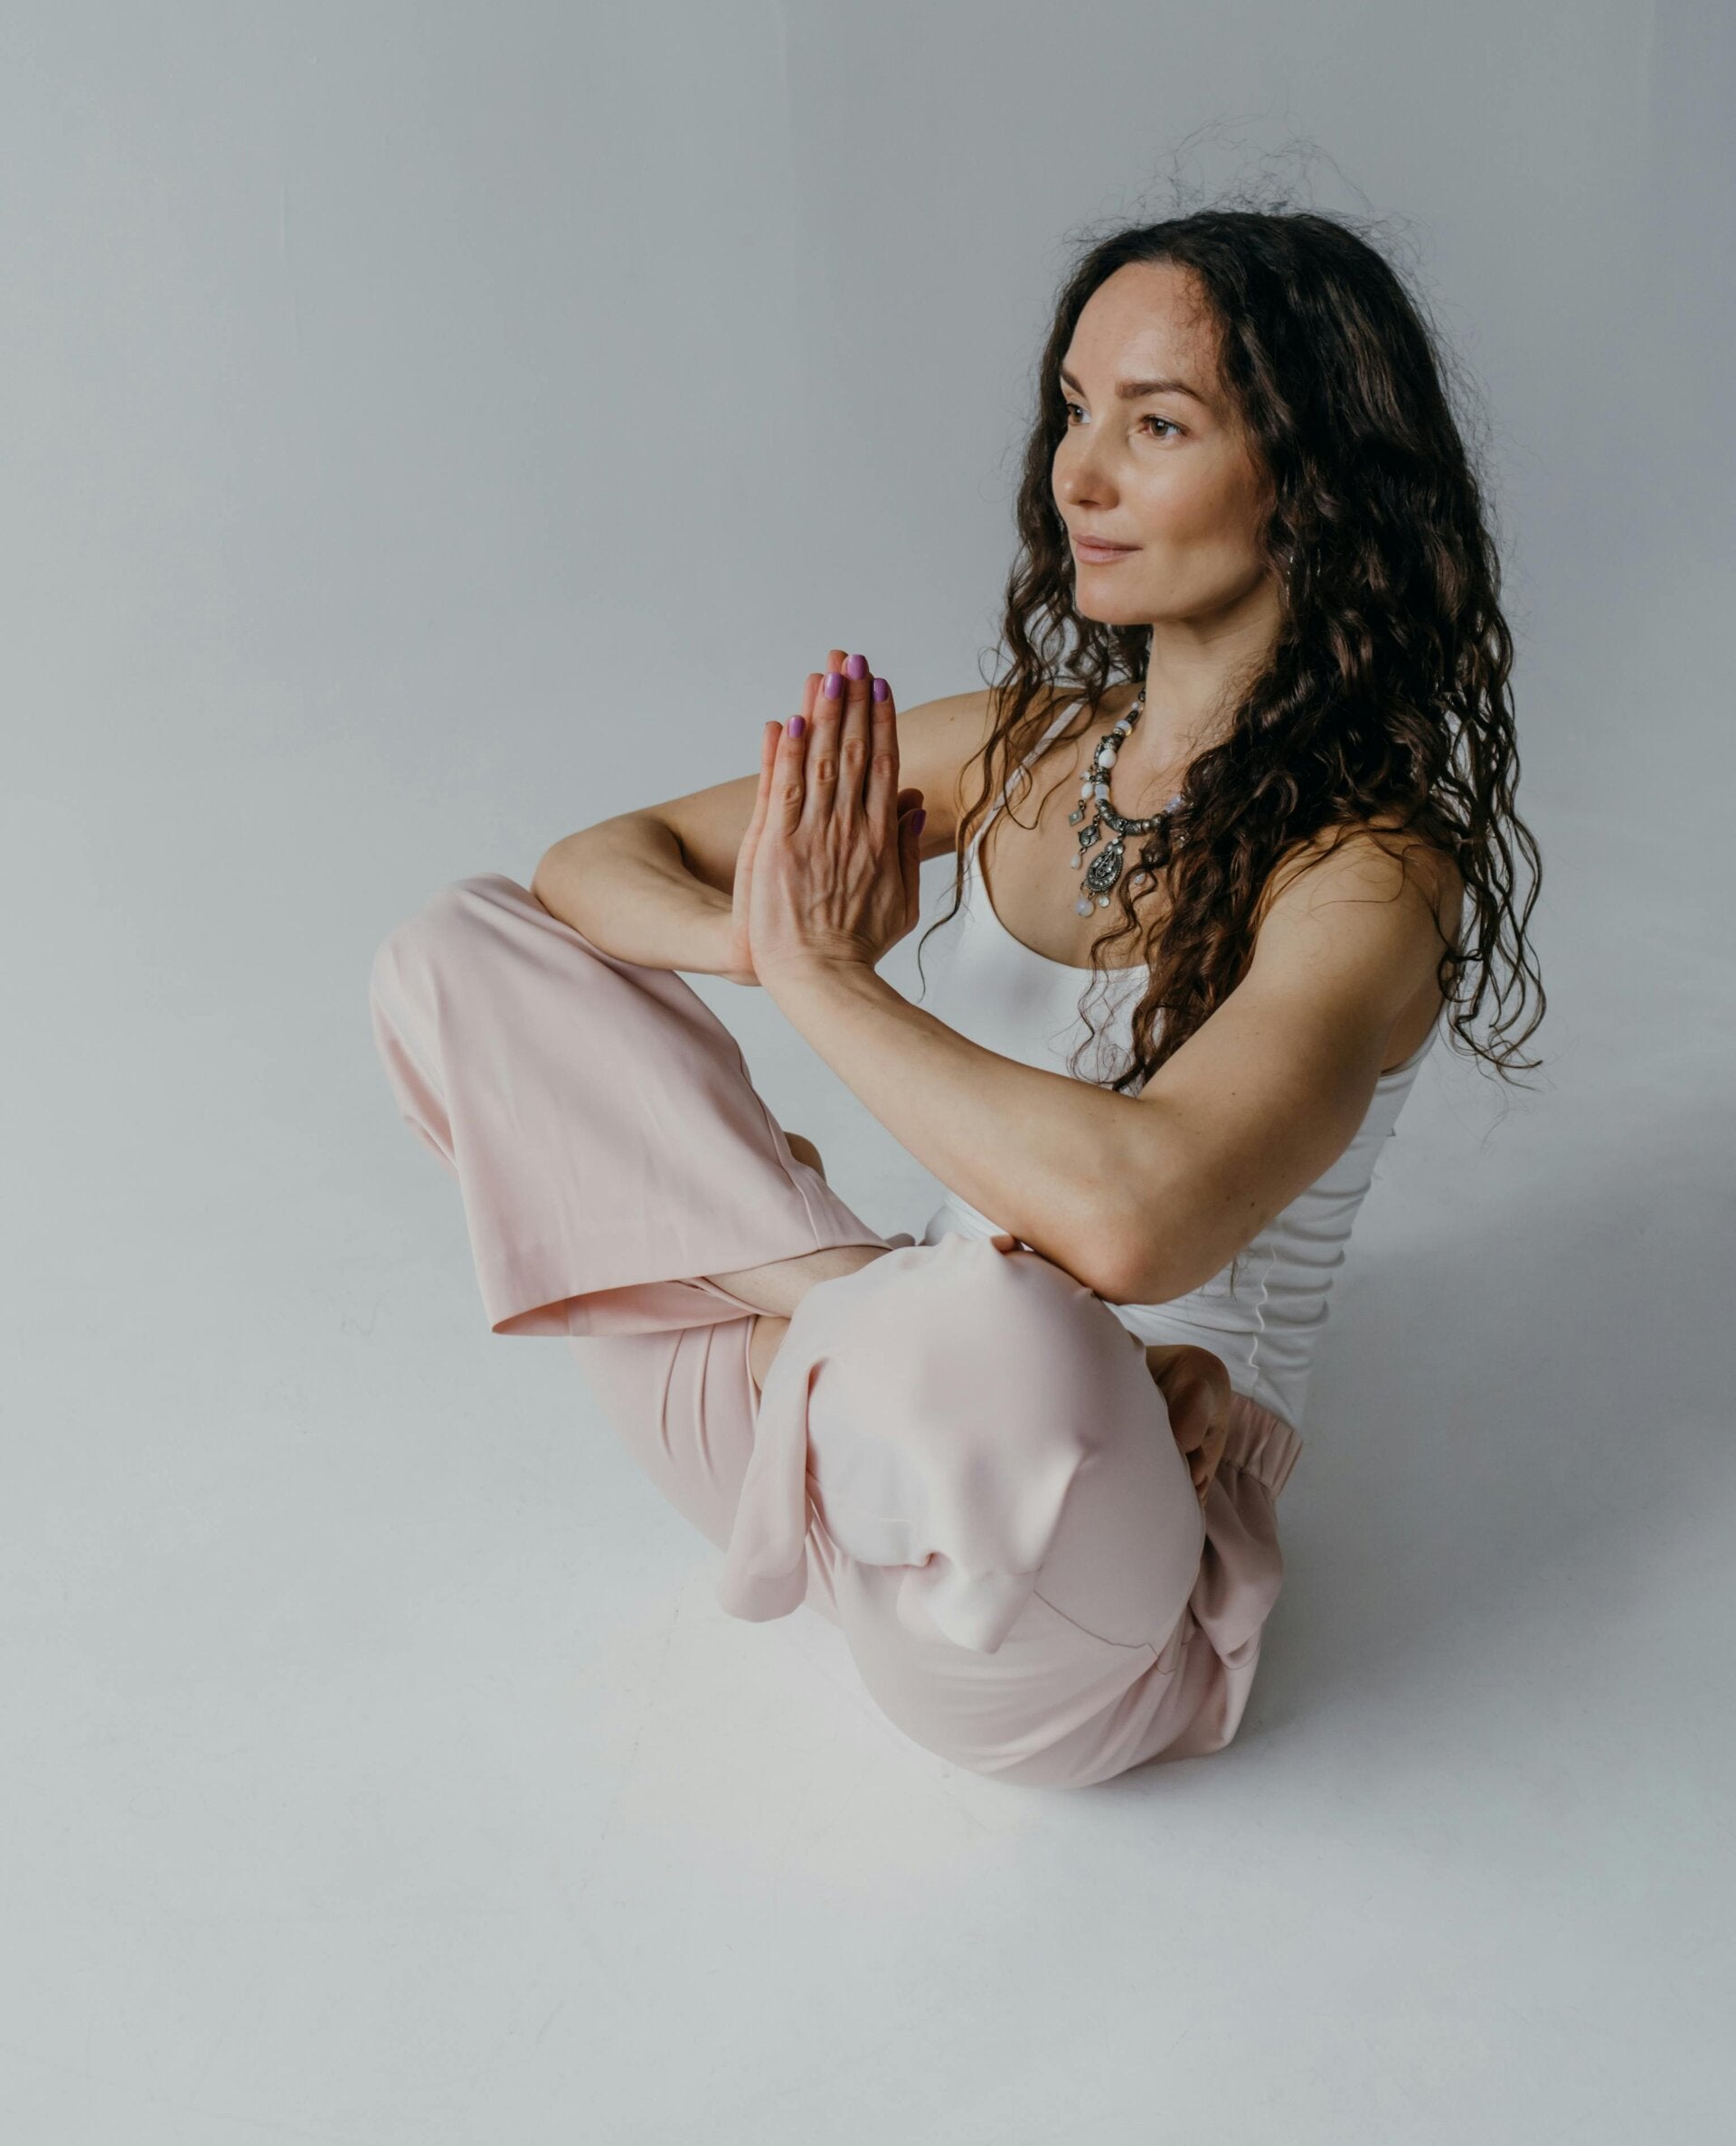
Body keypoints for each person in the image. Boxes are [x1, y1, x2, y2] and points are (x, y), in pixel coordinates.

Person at [368, 211, 1543, 1789]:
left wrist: (820, 973)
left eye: (1157, 425)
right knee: (456, 948)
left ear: (1312, 482)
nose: (1078, 474)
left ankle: (900, 1339)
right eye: (1074, 408)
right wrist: (760, 940)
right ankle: (857, 1319)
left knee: (1010, 1324)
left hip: (1078, 1550)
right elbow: (589, 869)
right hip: (839, 1419)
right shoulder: (1023, 741)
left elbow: (1138, 1223)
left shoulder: (1368, 874)